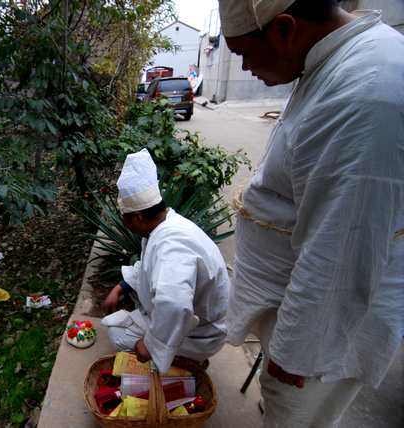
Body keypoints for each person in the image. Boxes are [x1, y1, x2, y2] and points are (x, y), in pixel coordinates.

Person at [217, 0, 404, 426]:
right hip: (299, 311)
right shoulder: (334, 63)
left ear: (284, 29)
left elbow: (341, 250)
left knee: (296, 413)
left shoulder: (365, 94)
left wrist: (294, 353)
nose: (245, 67)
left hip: (320, 333)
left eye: (245, 52)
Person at [101, 149, 230, 374]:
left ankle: (187, 360)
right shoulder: (165, 224)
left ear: (139, 217)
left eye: (126, 219)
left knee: (118, 336)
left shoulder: (172, 245)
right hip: (191, 321)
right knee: (114, 325)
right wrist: (121, 287)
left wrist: (151, 345)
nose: (126, 225)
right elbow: (149, 266)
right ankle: (176, 353)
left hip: (200, 333)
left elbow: (174, 303)